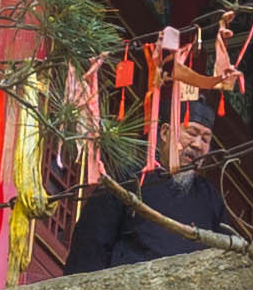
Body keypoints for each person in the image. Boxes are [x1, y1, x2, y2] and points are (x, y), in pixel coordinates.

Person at [63, 98, 230, 273]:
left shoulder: (210, 199)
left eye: (205, 139)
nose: (197, 144)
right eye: (191, 132)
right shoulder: (129, 179)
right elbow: (91, 243)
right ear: (165, 133)